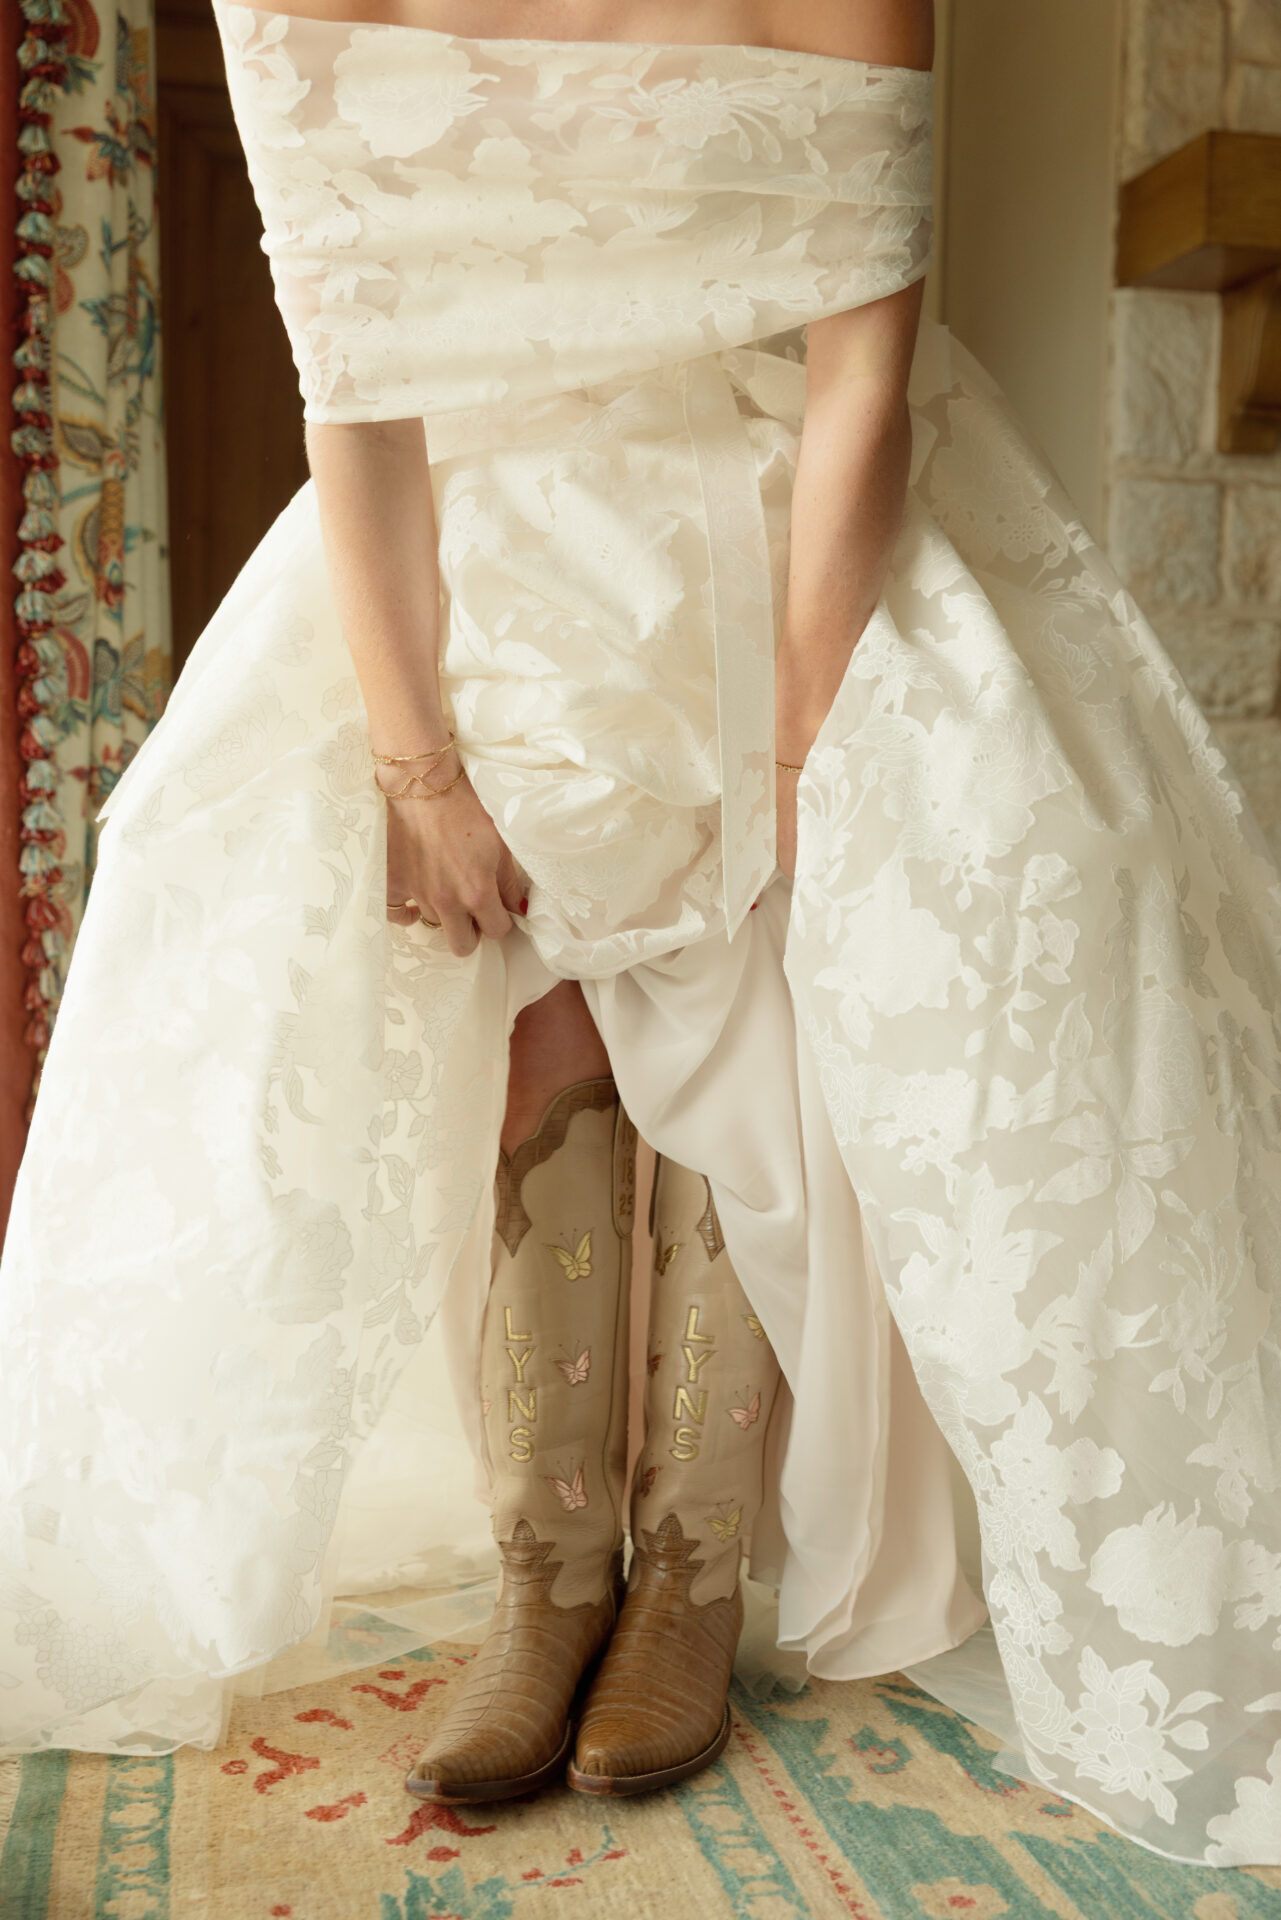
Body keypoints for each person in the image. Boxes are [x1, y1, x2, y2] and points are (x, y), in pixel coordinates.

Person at [1, 0, 1278, 1868]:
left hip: (797, 506)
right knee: (527, 988)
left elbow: (861, 368)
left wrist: (801, 754)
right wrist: (413, 757)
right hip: (462, 530)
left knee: (776, 992)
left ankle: (689, 1566)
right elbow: (352, 389)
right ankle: (549, 1570)